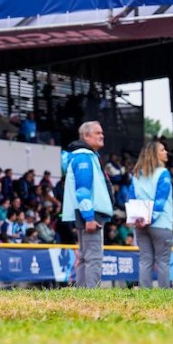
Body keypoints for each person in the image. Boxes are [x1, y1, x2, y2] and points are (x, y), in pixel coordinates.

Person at [61, 121, 111, 288]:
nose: (102, 135)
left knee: (84, 256)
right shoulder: (84, 156)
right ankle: (92, 295)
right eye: (98, 133)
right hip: (90, 212)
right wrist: (89, 217)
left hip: (86, 211)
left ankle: (83, 294)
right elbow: (83, 190)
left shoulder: (84, 155)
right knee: (94, 257)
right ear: (86, 136)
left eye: (102, 132)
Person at [129, 140, 173, 289]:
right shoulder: (163, 173)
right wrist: (150, 218)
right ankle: (164, 295)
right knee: (162, 261)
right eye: (162, 150)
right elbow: (161, 199)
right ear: (155, 154)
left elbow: (131, 198)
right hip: (160, 223)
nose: (166, 152)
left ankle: (144, 293)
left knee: (145, 260)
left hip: (140, 223)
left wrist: (138, 218)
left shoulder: (136, 174)